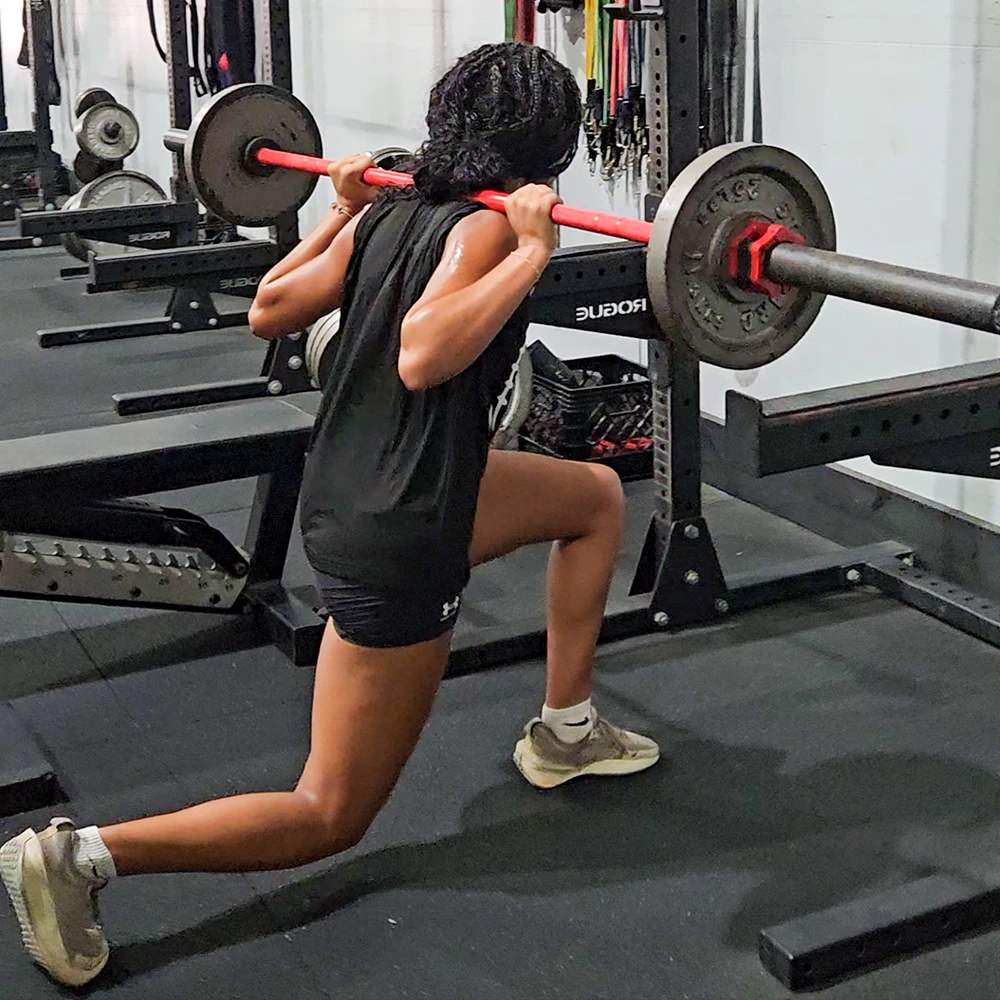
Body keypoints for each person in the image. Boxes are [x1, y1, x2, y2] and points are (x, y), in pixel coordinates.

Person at [0, 42, 659, 988]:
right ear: (549, 151)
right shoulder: (483, 232)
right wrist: (534, 251)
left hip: (375, 483)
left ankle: (566, 728)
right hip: (400, 534)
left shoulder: (388, 207)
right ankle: (80, 858)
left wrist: (339, 211)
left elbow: (271, 306)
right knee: (329, 809)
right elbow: (426, 354)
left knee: (592, 498)